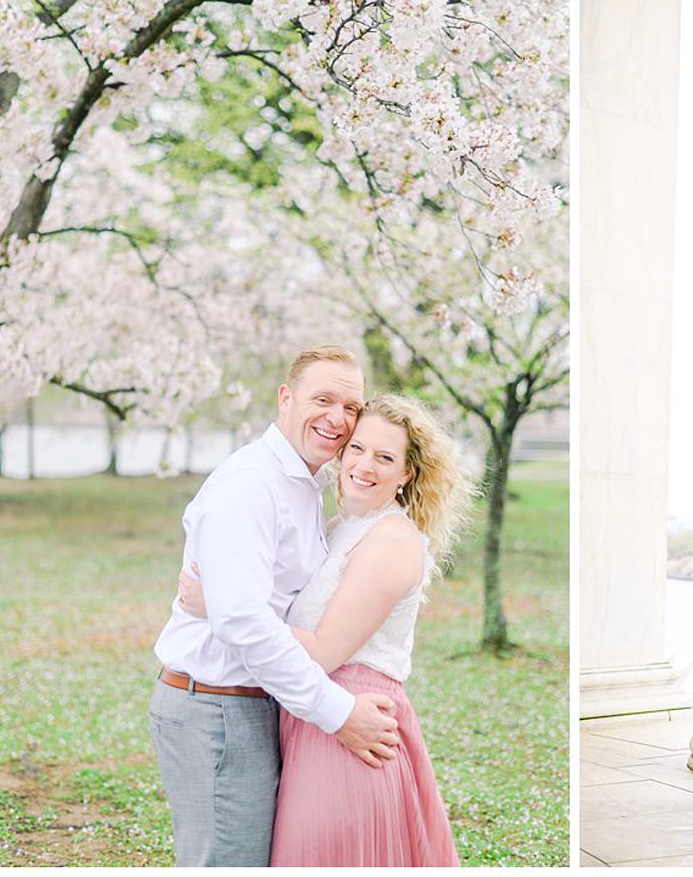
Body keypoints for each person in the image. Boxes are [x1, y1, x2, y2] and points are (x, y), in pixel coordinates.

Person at [178, 396, 464, 867]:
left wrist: (220, 605)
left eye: (385, 457)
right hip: (313, 714)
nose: (364, 465)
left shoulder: (392, 540)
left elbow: (323, 652)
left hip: (351, 722)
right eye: (357, 448)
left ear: (407, 473)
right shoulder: (339, 527)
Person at [150, 349, 399, 867]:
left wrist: (223, 604)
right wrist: (338, 713)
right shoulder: (251, 485)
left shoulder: (304, 486)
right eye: (322, 399)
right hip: (217, 709)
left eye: (350, 406)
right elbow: (243, 621)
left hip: (258, 705)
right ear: (286, 399)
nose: (337, 418)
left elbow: (262, 606)